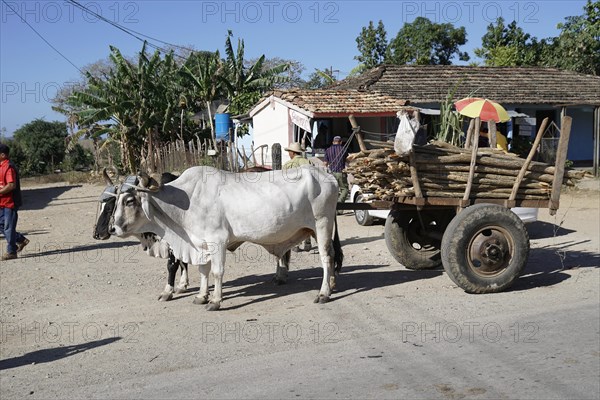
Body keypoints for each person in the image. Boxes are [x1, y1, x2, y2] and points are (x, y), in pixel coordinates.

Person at [0, 143, 29, 260]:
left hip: (10, 202)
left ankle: (11, 251)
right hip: (2, 202)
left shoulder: (9, 167)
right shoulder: (1, 166)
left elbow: (11, 185)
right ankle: (21, 239)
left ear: (3, 155)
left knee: (8, 227)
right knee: (4, 226)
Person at [282, 142, 311, 252]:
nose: (289, 153)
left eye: (289, 151)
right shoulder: (308, 162)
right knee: (308, 218)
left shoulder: (287, 165)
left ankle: (296, 245)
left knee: (295, 221)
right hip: (307, 194)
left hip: (292, 196)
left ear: (293, 153)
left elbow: (283, 181)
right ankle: (307, 242)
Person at [324, 136, 349, 207]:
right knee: (345, 189)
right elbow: (347, 160)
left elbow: (325, 163)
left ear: (333, 142)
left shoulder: (328, 150)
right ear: (340, 142)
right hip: (341, 172)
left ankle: (336, 208)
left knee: (334, 191)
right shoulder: (343, 149)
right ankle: (339, 203)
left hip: (331, 174)